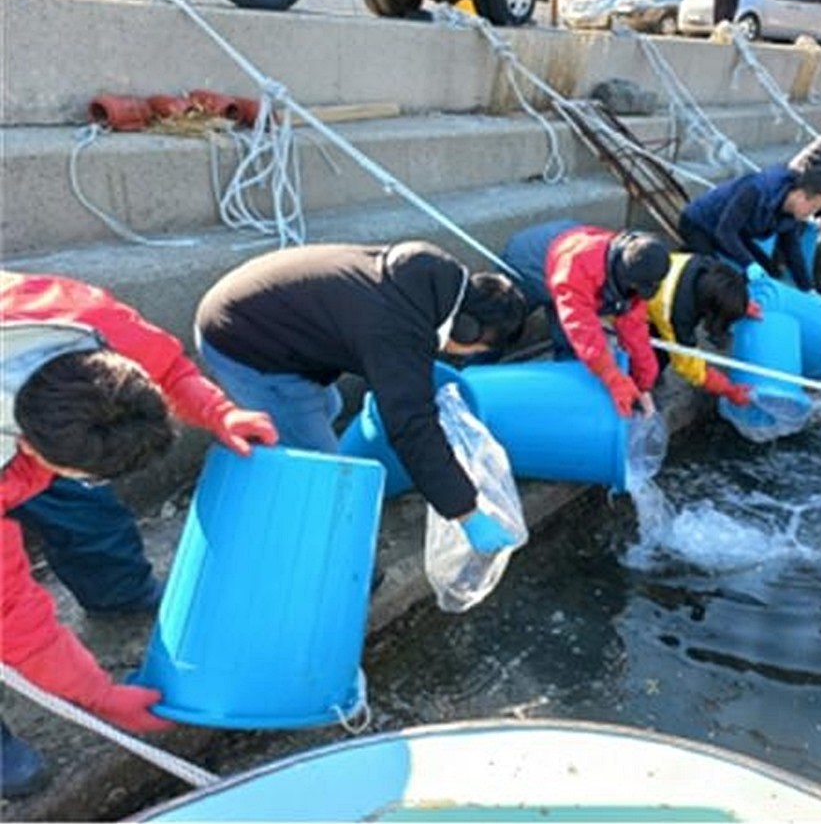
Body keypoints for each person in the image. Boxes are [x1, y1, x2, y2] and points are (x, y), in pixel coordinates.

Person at [1, 271, 278, 798]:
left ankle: (118, 594)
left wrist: (220, 412)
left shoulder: (88, 324)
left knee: (85, 507)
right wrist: (96, 695)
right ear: (33, 449)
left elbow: (169, 370)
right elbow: (12, 618)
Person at [195, 242, 526, 553]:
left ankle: (265, 458)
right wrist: (466, 512)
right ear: (467, 329)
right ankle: (321, 554)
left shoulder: (426, 279)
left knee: (330, 406)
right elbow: (412, 428)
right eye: (472, 350)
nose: (459, 355)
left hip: (251, 310)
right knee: (321, 467)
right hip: (242, 342)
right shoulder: (397, 330)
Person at [501, 221, 670, 418]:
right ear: (625, 278)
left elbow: (635, 330)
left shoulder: (632, 268)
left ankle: (568, 405)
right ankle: (469, 371)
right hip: (526, 263)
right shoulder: (579, 269)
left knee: (569, 348)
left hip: (561, 259)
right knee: (501, 329)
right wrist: (614, 380)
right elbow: (584, 333)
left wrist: (645, 384)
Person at [677, 164, 821, 291]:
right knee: (713, 275)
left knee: (771, 271)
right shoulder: (757, 190)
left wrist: (808, 288)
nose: (811, 214)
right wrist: (749, 264)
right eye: (813, 207)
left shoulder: (790, 211)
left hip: (736, 230)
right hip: (699, 224)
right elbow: (725, 232)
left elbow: (792, 250)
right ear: (801, 195)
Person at [645, 253, 761, 407]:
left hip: (653, 281)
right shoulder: (677, 317)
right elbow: (688, 364)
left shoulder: (702, 265)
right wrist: (728, 389)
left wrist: (739, 303)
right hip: (633, 304)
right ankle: (642, 382)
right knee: (658, 355)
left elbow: (725, 288)